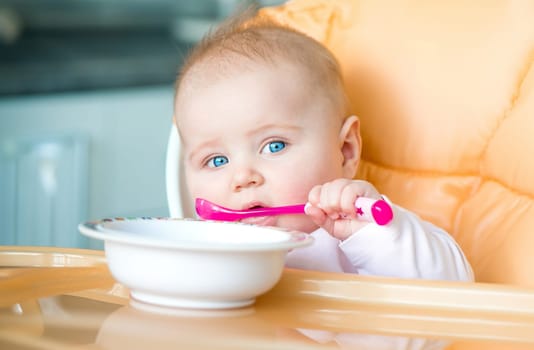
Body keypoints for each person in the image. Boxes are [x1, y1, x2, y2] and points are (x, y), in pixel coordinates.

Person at [173, 9, 473, 282]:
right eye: (216, 161)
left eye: (274, 146)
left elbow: (451, 289)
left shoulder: (360, 233)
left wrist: (374, 234)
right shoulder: (200, 255)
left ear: (346, 151)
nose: (242, 177)